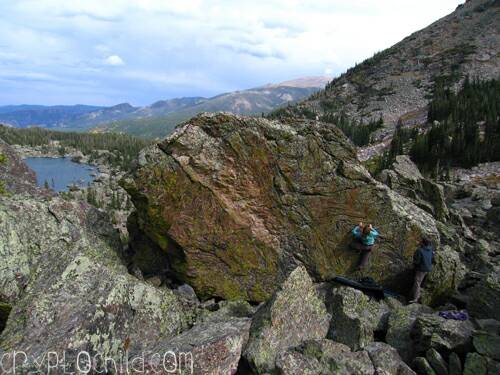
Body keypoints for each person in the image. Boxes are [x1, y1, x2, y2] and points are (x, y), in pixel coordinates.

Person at [409, 238, 434, 303]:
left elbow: (417, 261)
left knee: (417, 283)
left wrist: (413, 264)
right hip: (428, 268)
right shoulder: (430, 249)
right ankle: (415, 295)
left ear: (422, 243)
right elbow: (432, 258)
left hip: (421, 269)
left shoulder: (419, 250)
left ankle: (416, 299)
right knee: (421, 283)